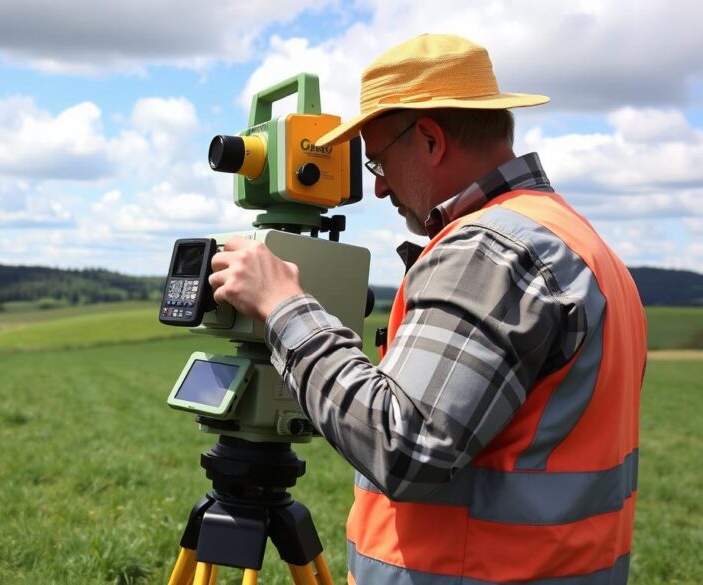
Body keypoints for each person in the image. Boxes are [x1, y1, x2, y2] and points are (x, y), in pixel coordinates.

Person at [208, 34, 647, 584]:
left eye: (379, 162)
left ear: (432, 140)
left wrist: (283, 307)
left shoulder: (490, 252)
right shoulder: (581, 243)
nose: (380, 186)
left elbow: (405, 444)